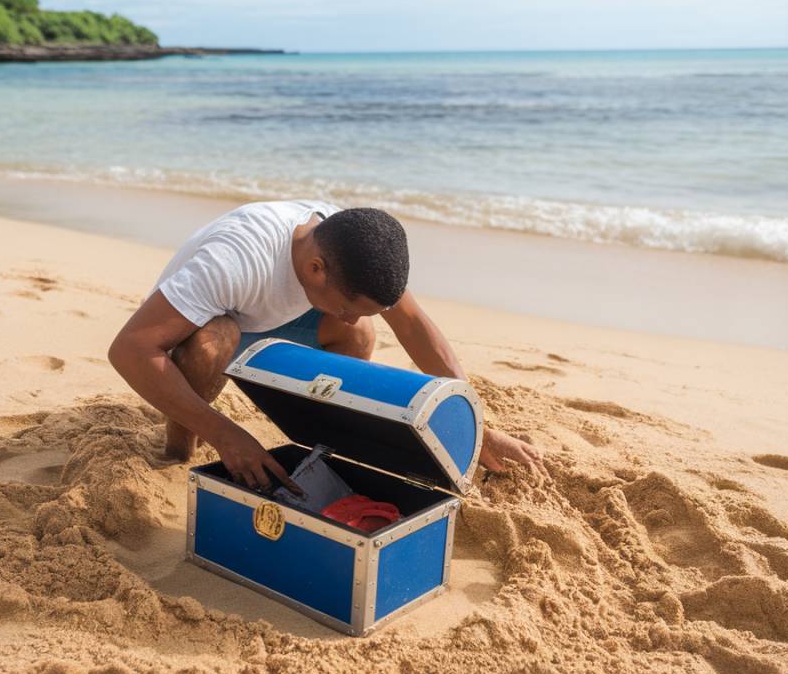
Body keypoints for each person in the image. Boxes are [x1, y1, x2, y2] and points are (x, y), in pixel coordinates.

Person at [108, 200, 544, 492]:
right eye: (350, 305)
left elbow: (412, 325)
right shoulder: (236, 258)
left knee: (358, 336)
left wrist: (476, 429)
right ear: (316, 269)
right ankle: (179, 451)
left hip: (269, 325)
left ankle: (317, 440)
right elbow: (130, 349)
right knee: (212, 342)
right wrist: (226, 434)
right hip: (199, 333)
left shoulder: (349, 243)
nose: (351, 315)